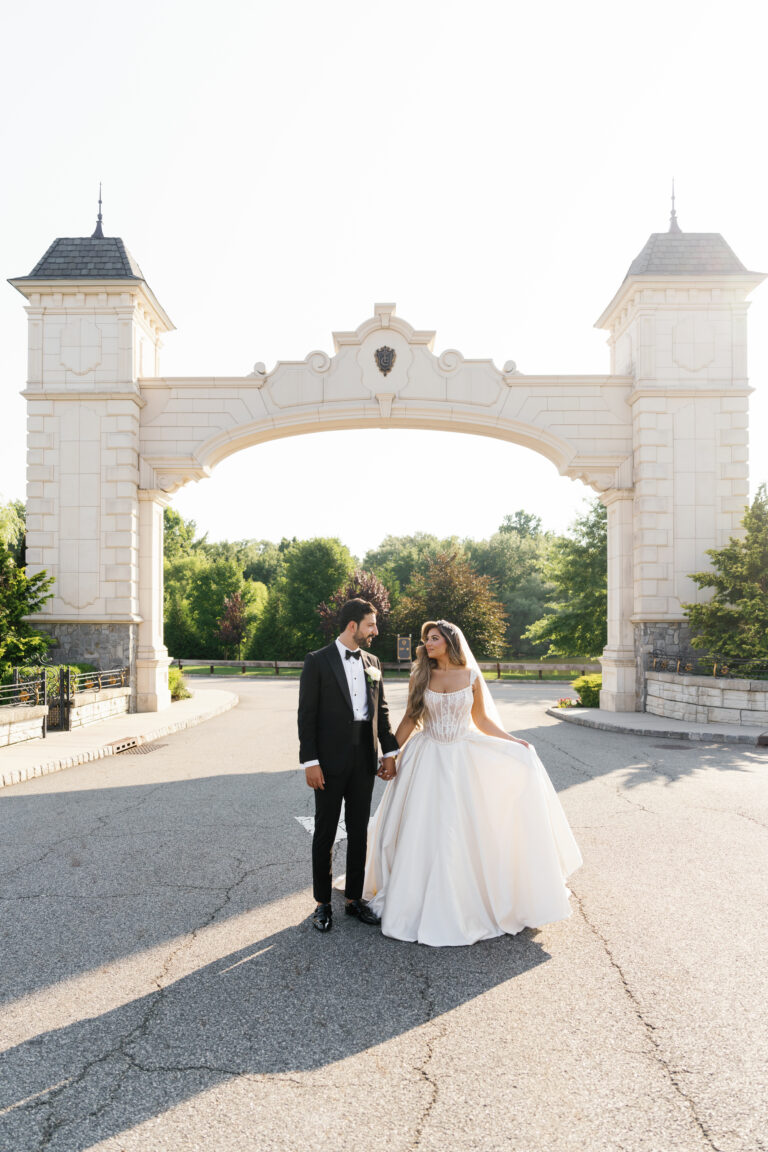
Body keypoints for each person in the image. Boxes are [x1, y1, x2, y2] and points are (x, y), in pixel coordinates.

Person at [363, 619, 582, 947]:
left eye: (434, 639)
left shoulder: (471, 677)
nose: (428, 644)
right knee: (422, 829)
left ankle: (466, 900)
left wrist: (514, 742)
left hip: (462, 758)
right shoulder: (422, 675)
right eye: (427, 640)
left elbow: (480, 720)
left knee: (462, 830)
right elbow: (410, 718)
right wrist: (389, 755)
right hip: (427, 757)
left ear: (450, 642)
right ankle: (413, 895)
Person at [298, 598, 399, 933]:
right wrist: (310, 761)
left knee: (359, 832)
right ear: (353, 625)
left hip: (363, 760)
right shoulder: (318, 661)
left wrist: (389, 753)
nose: (376, 631)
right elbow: (306, 717)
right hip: (327, 762)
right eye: (371, 624)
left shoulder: (372, 661)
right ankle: (322, 903)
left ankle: (354, 900)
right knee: (325, 832)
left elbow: (380, 712)